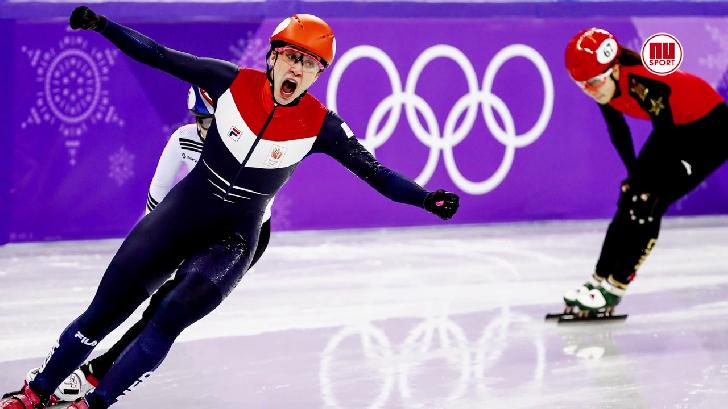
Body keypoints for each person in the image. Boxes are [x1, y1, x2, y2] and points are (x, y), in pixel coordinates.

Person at [0, 7, 459, 409]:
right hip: (179, 218)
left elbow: (376, 173)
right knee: (102, 314)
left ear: (319, 74)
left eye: (311, 64)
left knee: (168, 317)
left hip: (233, 240)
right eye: (293, 57)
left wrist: (424, 197)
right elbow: (158, 56)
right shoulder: (231, 82)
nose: (299, 69)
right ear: (274, 56)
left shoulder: (322, 126)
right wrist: (102, 26)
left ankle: (95, 403)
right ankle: (37, 390)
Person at [1, 85, 275, 404]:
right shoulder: (184, 139)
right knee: (120, 301)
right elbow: (157, 199)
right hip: (188, 224)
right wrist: (154, 245)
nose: (211, 134)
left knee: (165, 310)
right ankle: (65, 378)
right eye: (204, 123)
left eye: (220, 125)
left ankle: (99, 370)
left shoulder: (254, 149)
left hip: (235, 240)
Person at [561, 28, 728, 316]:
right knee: (629, 198)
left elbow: (667, 139)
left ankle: (615, 288)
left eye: (595, 82)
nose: (591, 90)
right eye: (582, 85)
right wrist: (632, 177)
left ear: (613, 69)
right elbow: (618, 131)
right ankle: (597, 282)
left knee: (648, 203)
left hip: (710, 132)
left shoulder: (644, 83)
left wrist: (648, 184)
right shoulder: (603, 85)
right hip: (676, 129)